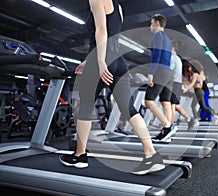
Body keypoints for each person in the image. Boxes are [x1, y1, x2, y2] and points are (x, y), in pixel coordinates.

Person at [60, 0, 165, 176]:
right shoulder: (118, 6)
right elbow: (112, 36)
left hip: (103, 60)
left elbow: (102, 31)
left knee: (84, 107)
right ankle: (151, 154)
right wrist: (88, 60)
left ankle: (80, 156)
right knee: (128, 108)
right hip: (119, 61)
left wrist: (99, 61)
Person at [144, 14, 177, 142]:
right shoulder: (167, 38)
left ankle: (167, 126)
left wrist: (151, 73)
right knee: (166, 103)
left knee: (149, 101)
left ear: (157, 23)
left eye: (151, 23)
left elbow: (156, 56)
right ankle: (166, 132)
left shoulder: (157, 35)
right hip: (168, 73)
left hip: (160, 71)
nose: (150, 26)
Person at [170, 41, 194, 130]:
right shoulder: (176, 58)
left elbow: (170, 71)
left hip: (174, 83)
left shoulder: (173, 58)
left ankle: (170, 125)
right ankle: (189, 119)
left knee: (171, 105)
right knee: (175, 105)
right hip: (176, 83)